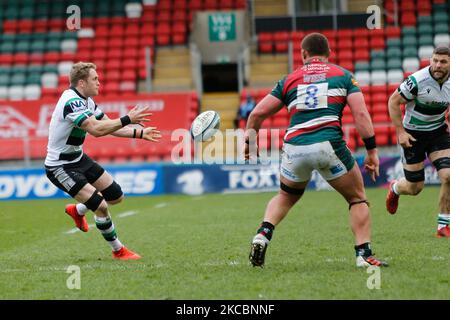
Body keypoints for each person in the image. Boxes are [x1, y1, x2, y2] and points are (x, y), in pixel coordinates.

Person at [245, 33, 388, 268]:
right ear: (329, 54)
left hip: (295, 146)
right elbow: (361, 115)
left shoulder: (289, 79)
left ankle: (263, 233)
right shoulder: (343, 76)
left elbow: (256, 114)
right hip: (328, 144)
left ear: (303, 54)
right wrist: (371, 151)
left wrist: (250, 144)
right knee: (356, 198)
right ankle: (363, 254)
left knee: (285, 196)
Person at [45, 62, 161, 260]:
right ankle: (118, 250)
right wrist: (126, 118)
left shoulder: (87, 101)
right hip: (60, 166)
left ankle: (77, 210)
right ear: (82, 83)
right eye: (95, 79)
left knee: (116, 196)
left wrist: (140, 133)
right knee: (101, 206)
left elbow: (108, 126)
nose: (99, 82)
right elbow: (96, 130)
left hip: (79, 158)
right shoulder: (71, 102)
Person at [386, 46, 450, 238]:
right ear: (430, 60)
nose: (438, 65)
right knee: (415, 188)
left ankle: (443, 225)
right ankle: (395, 188)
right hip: (413, 135)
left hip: (438, 133)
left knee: (448, 176)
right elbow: (393, 102)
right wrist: (400, 132)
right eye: (435, 60)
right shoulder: (417, 81)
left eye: (443, 61)